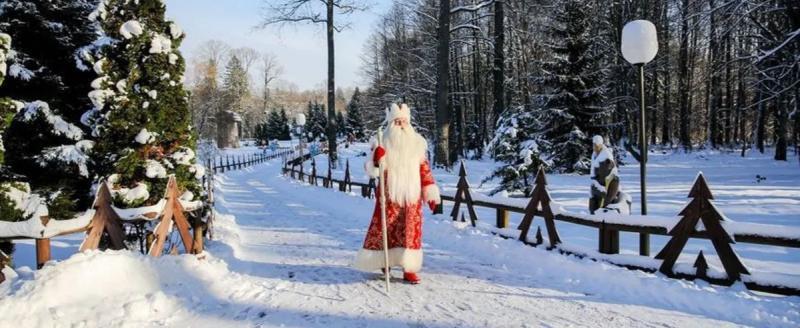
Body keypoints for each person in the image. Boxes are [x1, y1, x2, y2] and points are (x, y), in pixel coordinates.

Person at [354, 103, 441, 284]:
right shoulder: (381, 141)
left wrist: (430, 192)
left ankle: (409, 268)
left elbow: (424, 169)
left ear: (409, 123)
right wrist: (376, 159)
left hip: (411, 197)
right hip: (389, 196)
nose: (401, 125)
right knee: (385, 230)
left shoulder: (417, 144)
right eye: (397, 122)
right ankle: (384, 261)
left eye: (404, 122)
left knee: (410, 232)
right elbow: (372, 170)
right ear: (391, 123)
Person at [589, 135, 630, 215]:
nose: (595, 148)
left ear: (601, 145)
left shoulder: (605, 156)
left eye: (597, 145)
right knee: (593, 203)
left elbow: (606, 172)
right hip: (599, 183)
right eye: (594, 145)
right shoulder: (594, 155)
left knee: (603, 203)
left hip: (609, 184)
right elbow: (593, 172)